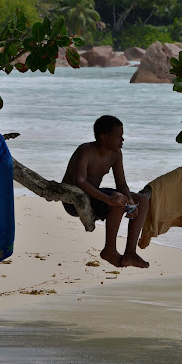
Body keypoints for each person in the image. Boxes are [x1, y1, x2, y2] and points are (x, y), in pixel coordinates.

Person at [62, 115, 150, 268]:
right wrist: (109, 199)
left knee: (141, 200)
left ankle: (130, 253)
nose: (122, 140)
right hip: (74, 199)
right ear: (104, 137)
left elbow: (121, 183)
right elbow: (80, 181)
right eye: (119, 136)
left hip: (94, 195)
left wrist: (130, 200)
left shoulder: (115, 154)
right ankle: (109, 250)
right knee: (117, 199)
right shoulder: (86, 150)